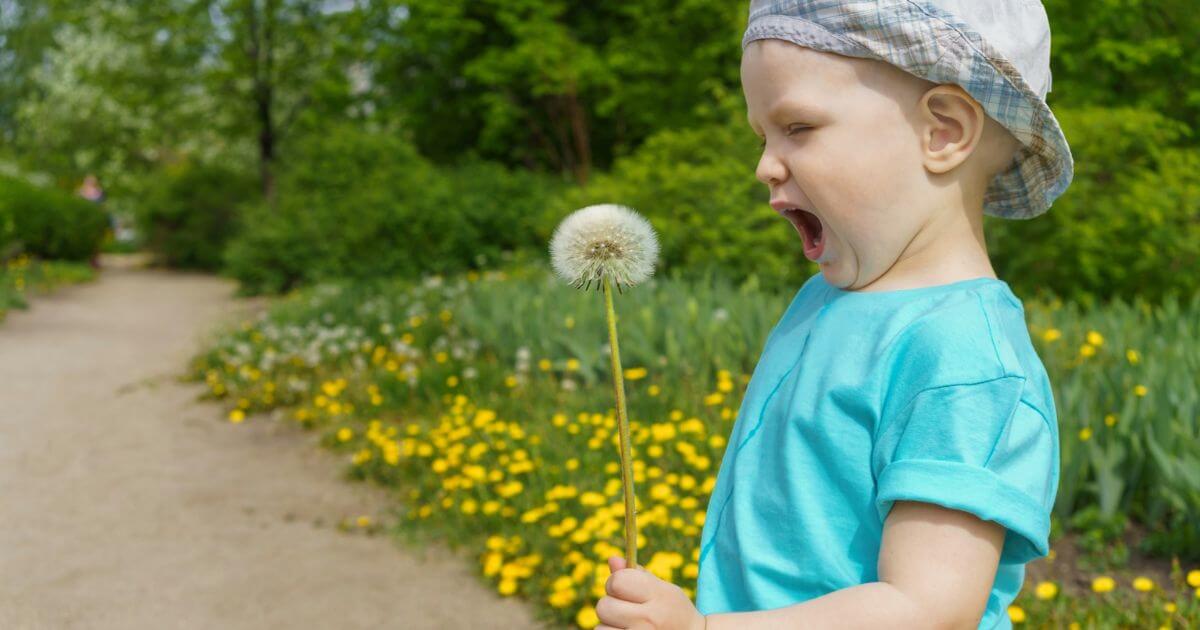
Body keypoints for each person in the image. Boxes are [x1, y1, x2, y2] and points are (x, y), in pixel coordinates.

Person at [597, 2, 1072, 629]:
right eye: (762, 136)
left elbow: (926, 608)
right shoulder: (829, 297)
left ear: (944, 133)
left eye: (797, 127)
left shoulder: (965, 359)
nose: (764, 164)